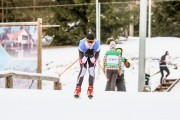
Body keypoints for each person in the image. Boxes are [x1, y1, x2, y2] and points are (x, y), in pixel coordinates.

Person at [74, 33, 100, 98]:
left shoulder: (97, 46)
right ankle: (78, 89)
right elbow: (82, 61)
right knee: (83, 69)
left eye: (92, 42)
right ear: (86, 40)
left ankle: (90, 89)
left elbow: (94, 61)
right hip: (83, 55)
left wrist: (91, 56)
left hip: (92, 55)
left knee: (91, 69)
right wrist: (85, 55)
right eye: (89, 41)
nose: (90, 43)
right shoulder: (82, 45)